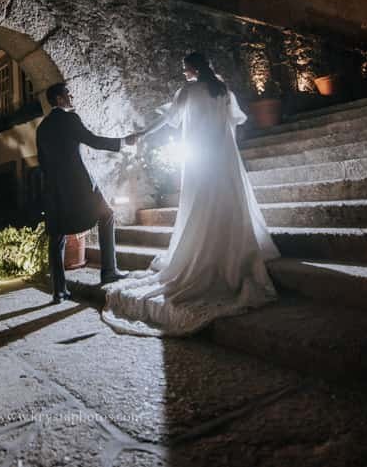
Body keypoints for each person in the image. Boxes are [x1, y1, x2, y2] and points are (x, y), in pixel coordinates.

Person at [101, 52, 279, 336]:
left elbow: (168, 119)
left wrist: (142, 134)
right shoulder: (222, 89)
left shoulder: (188, 90)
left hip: (201, 158)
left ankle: (207, 252)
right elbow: (236, 121)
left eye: (185, 68)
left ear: (194, 68)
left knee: (202, 204)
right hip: (224, 157)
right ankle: (234, 248)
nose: (183, 72)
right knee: (227, 201)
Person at [37, 83, 137, 303]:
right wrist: (123, 141)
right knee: (108, 215)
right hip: (80, 185)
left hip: (54, 189)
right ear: (59, 99)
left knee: (57, 235)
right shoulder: (69, 119)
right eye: (67, 93)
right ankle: (109, 271)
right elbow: (93, 140)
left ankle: (59, 290)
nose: (71, 96)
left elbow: (42, 163)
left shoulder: (42, 128)